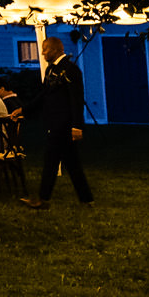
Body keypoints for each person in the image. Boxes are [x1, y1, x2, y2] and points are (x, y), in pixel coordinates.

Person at [21, 36, 93, 209]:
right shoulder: (51, 70)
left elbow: (76, 98)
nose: (43, 53)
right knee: (72, 163)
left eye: (45, 49)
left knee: (51, 161)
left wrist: (77, 125)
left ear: (54, 50)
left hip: (64, 124)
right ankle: (86, 199)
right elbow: (45, 94)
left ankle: (42, 199)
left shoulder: (70, 70)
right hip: (54, 122)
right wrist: (24, 110)